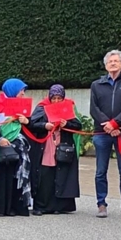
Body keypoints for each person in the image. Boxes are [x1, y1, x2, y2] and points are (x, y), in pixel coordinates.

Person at [90, 49, 121, 219]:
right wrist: (108, 125)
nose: (113, 63)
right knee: (100, 171)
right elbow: (94, 109)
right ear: (105, 65)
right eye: (110, 61)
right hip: (102, 133)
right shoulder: (96, 85)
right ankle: (101, 204)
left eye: (116, 61)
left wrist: (115, 123)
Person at [0, 78, 32, 217]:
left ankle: (14, 207)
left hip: (17, 145)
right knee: (1, 176)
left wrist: (26, 121)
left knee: (15, 176)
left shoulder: (22, 105)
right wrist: (0, 138)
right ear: (13, 90)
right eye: (21, 90)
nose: (23, 93)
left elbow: (30, 126)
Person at [28, 84, 81, 215]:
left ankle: (59, 206)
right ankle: (41, 206)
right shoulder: (41, 107)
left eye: (59, 98)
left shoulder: (69, 107)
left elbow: (78, 125)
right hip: (46, 146)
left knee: (61, 175)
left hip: (63, 146)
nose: (56, 101)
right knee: (45, 175)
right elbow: (32, 124)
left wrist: (66, 124)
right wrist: (45, 125)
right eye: (54, 98)